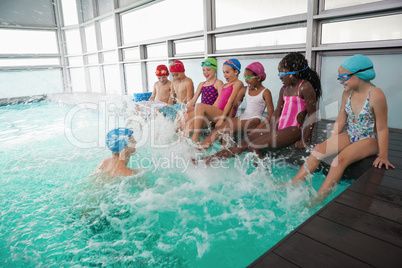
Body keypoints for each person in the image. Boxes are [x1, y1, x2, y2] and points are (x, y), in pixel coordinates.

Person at [291, 54, 394, 202]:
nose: (340, 81)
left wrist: (383, 155)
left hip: (370, 139)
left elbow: (383, 128)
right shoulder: (347, 93)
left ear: (359, 74)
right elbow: (341, 117)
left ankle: (318, 198)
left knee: (339, 160)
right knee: (319, 149)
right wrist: (333, 140)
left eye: (344, 77)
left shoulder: (376, 95)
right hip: (351, 133)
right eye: (339, 77)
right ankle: (295, 183)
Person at [192, 52, 322, 164]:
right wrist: (269, 128)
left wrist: (305, 140)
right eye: (279, 73)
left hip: (293, 129)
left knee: (254, 146)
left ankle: (261, 177)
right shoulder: (284, 88)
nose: (280, 76)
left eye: (283, 73)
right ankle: (208, 160)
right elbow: (277, 112)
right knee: (242, 143)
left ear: (296, 72)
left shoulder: (305, 87)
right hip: (278, 126)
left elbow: (313, 114)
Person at [199, 62, 274, 150]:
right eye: (245, 77)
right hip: (242, 117)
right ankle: (199, 150)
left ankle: (223, 153)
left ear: (259, 78)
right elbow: (234, 106)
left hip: (254, 120)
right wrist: (229, 119)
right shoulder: (245, 89)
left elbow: (270, 115)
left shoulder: (265, 92)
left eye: (249, 77)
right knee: (217, 130)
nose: (246, 80)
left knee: (228, 128)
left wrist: (256, 129)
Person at [188, 58, 244, 143]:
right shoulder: (225, 85)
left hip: (222, 114)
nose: (225, 75)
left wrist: (222, 119)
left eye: (227, 72)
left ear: (236, 72)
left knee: (199, 106)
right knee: (191, 122)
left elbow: (231, 102)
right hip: (216, 113)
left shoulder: (238, 83)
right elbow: (218, 101)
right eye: (223, 72)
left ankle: (195, 138)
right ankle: (185, 144)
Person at [176, 58, 223, 133]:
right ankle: (175, 133)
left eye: (208, 69)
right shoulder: (202, 84)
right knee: (181, 113)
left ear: (215, 70)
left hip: (211, 111)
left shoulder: (218, 83)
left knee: (189, 120)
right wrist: (186, 108)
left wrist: (211, 108)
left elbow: (221, 98)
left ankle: (181, 136)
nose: (205, 72)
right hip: (201, 110)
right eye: (203, 70)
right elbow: (193, 100)